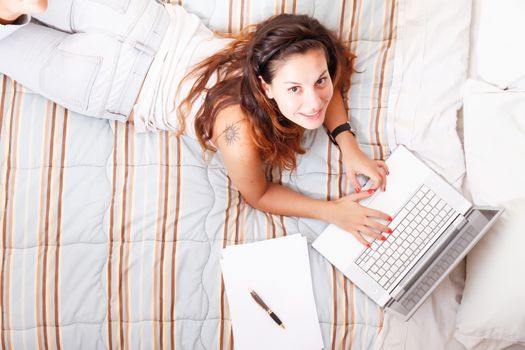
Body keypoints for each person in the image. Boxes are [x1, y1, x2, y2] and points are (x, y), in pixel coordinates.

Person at [0, 0, 392, 246]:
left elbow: (329, 73)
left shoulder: (281, 47)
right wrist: (331, 211)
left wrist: (348, 144)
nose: (314, 104)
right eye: (294, 90)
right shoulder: (235, 129)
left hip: (141, 20)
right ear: (264, 86)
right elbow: (259, 195)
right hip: (111, 82)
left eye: (319, 82)